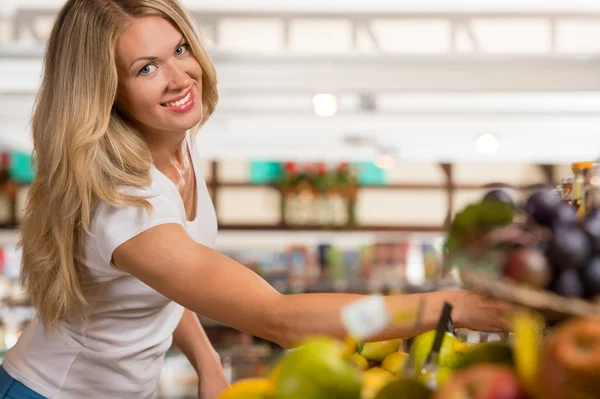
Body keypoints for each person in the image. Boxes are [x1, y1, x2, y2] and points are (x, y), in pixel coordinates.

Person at [0, 0, 513, 398]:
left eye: (179, 50)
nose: (181, 78)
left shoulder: (176, 146)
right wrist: (450, 306)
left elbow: (167, 286)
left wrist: (207, 362)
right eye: (146, 68)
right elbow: (281, 320)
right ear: (104, 90)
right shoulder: (125, 204)